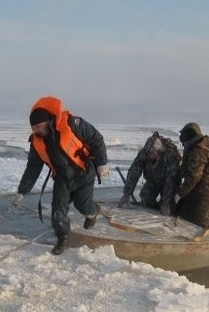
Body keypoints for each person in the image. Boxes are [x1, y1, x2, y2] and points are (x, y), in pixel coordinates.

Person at [11, 96, 109, 255]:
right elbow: (33, 168)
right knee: (58, 208)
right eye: (33, 128)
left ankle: (93, 212)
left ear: (48, 122)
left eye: (39, 127)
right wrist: (22, 191)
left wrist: (101, 163)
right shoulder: (37, 142)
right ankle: (63, 237)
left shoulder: (72, 124)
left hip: (83, 173)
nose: (36, 131)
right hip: (62, 178)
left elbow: (96, 139)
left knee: (83, 206)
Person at [117, 131, 182, 215]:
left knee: (170, 209)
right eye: (147, 153)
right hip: (152, 180)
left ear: (158, 152)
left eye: (151, 153)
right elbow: (134, 172)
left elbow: (172, 179)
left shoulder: (169, 155)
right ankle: (156, 208)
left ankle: (164, 205)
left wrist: (166, 201)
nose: (148, 156)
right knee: (146, 201)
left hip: (168, 183)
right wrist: (127, 193)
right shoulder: (144, 153)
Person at [175, 122, 209, 228]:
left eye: (184, 142)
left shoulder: (197, 152)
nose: (183, 145)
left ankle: (201, 244)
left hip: (204, 193)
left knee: (200, 224)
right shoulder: (203, 146)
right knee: (186, 218)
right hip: (200, 189)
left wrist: (180, 194)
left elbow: (194, 177)